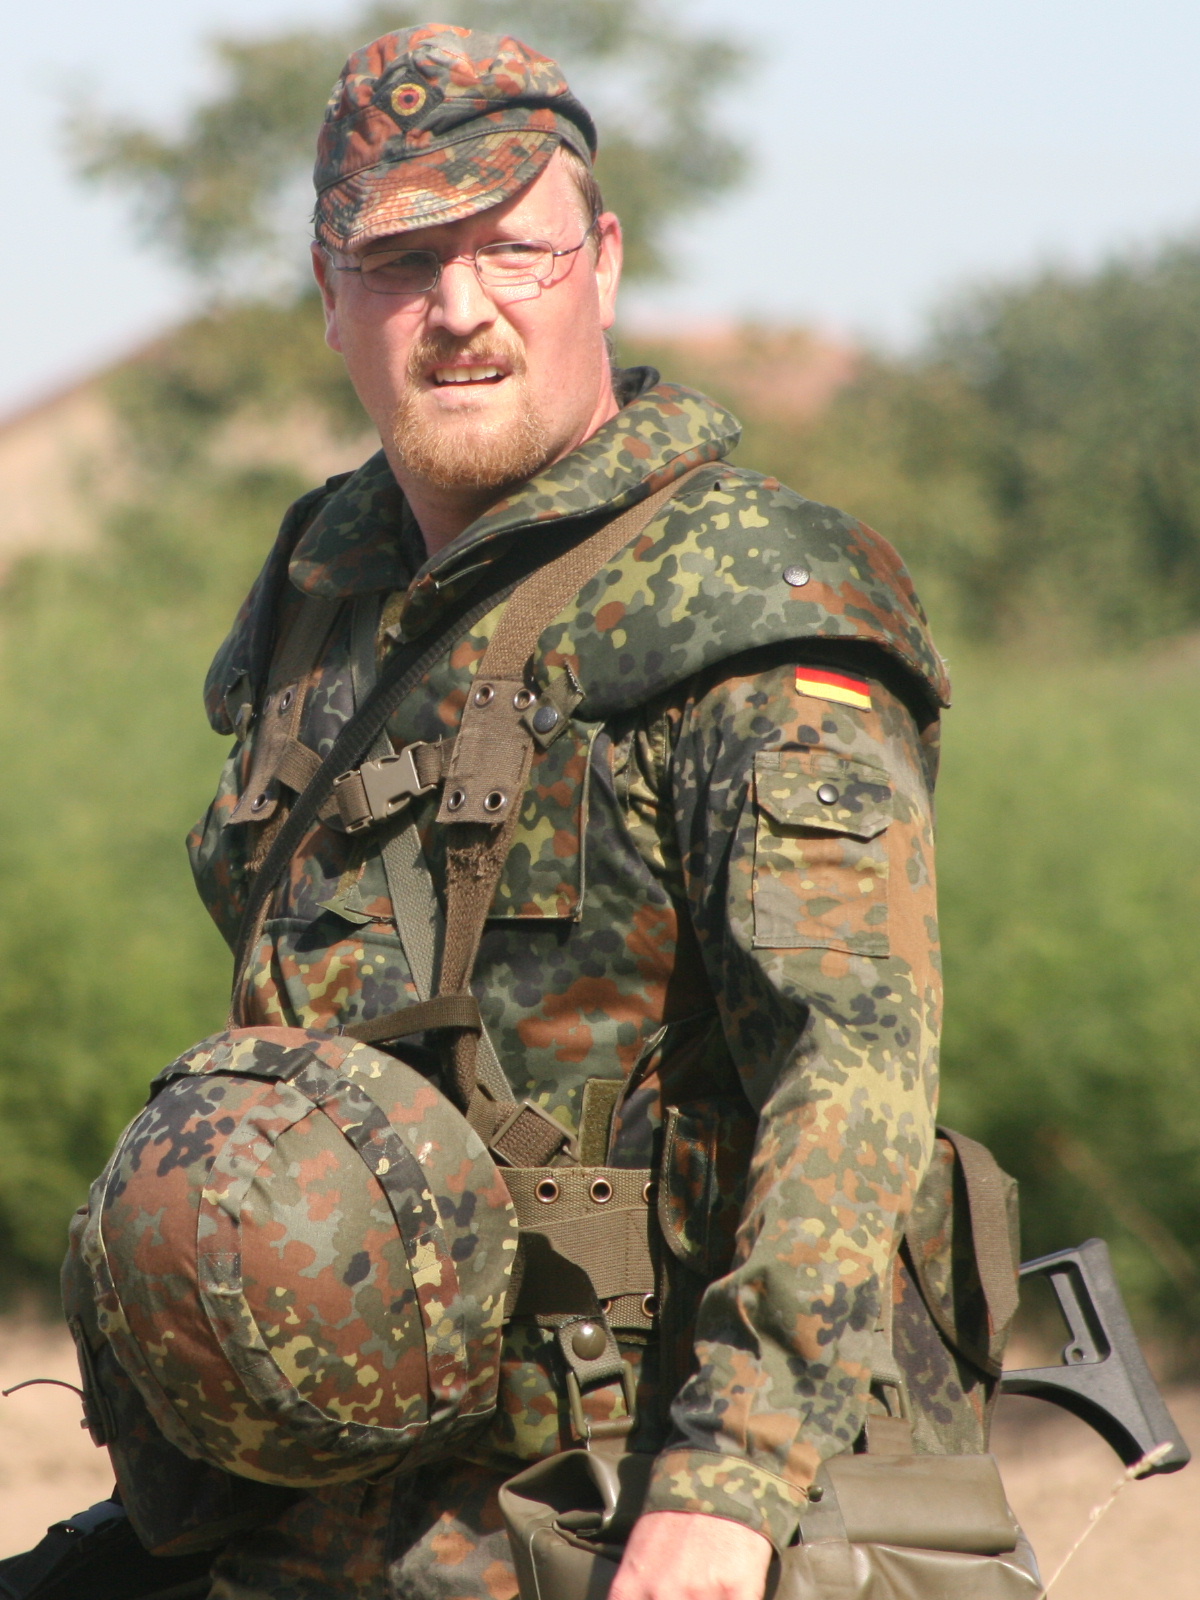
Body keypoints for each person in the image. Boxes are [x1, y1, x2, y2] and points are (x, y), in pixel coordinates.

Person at [180, 22, 949, 1600]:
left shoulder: (748, 594)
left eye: (510, 251)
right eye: (402, 263)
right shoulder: (323, 588)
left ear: (599, 263)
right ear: (329, 293)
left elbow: (852, 1069)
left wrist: (730, 1485)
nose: (459, 310)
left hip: (621, 1497)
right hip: (322, 1507)